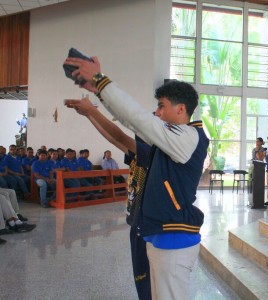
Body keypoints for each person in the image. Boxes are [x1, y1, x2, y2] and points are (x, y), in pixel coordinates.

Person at [64, 55, 209, 300]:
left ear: (180, 109)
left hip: (172, 237)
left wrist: (100, 81)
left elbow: (138, 119)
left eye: (162, 106)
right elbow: (129, 124)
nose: (158, 113)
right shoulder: (166, 142)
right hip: (159, 234)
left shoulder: (188, 136)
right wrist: (97, 101)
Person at [65, 97, 152, 299]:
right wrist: (89, 114)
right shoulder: (141, 153)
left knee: (147, 281)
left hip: (145, 223)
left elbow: (119, 137)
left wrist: (92, 112)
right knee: (140, 279)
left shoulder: (150, 151)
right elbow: (114, 139)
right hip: (136, 221)